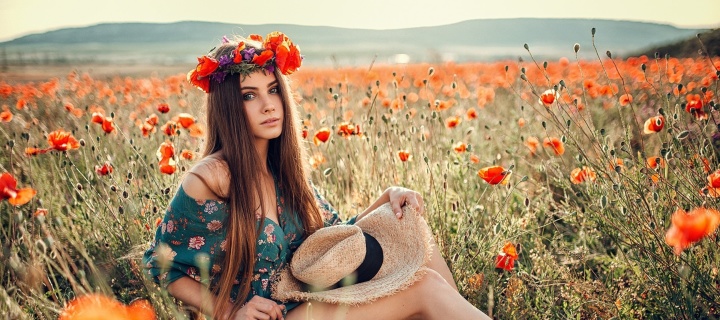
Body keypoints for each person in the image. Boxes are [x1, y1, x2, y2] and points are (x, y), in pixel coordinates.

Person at [142, 32, 491, 320]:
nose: (268, 105)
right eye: (250, 96)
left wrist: (389, 196)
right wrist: (231, 312)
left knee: (409, 223)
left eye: (273, 89)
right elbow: (160, 265)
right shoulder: (213, 177)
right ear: (230, 107)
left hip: (311, 299)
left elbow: (334, 241)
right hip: (279, 315)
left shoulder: (282, 171)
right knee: (424, 286)